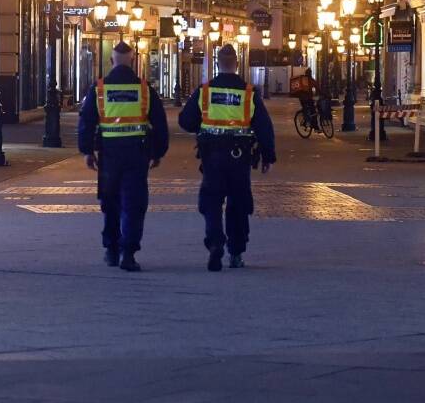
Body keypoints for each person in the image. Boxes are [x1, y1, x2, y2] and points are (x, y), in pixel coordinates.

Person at [178, 44, 276, 271]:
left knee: (211, 201)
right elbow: (264, 127)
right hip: (239, 156)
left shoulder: (205, 91)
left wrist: (204, 126)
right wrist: (268, 156)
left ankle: (214, 241)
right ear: (237, 64)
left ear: (217, 63)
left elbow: (185, 121)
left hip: (212, 155)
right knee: (239, 204)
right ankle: (236, 253)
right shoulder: (249, 93)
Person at [78, 41, 168, 272]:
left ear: (111, 61)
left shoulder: (99, 88)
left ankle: (111, 249)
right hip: (137, 155)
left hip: (109, 154)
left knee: (110, 202)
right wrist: (158, 152)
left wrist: (87, 151)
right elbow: (159, 123)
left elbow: (87, 122)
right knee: (134, 204)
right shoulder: (145, 90)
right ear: (134, 60)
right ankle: (128, 253)